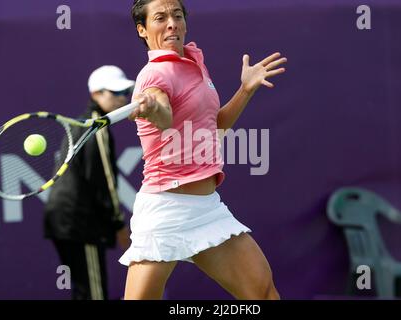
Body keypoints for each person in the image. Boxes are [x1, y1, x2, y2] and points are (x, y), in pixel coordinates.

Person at [119, 0, 287, 300]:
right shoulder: (153, 75)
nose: (171, 23)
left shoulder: (194, 62)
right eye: (160, 18)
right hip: (165, 207)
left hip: (207, 208)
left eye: (177, 15)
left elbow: (215, 126)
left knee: (263, 295)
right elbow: (163, 113)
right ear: (143, 30)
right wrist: (152, 108)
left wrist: (245, 90)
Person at [44, 65, 133, 300]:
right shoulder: (97, 127)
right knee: (94, 294)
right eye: (115, 93)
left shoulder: (85, 123)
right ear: (96, 94)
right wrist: (118, 224)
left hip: (65, 221)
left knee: (85, 291)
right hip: (79, 223)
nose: (123, 98)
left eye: (125, 92)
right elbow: (105, 180)